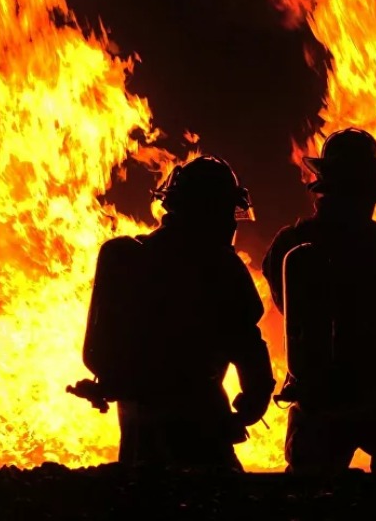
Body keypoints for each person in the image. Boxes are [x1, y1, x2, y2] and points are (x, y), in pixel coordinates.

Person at [79, 155, 276, 472]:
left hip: (137, 414)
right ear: (214, 213)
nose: (230, 223)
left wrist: (117, 383)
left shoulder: (124, 257)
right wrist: (254, 397)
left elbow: (99, 353)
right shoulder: (224, 269)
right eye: (227, 213)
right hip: (200, 417)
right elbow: (247, 344)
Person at [262, 127, 376, 475]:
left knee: (306, 496)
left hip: (318, 396)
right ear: (373, 190)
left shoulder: (290, 243)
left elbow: (286, 307)